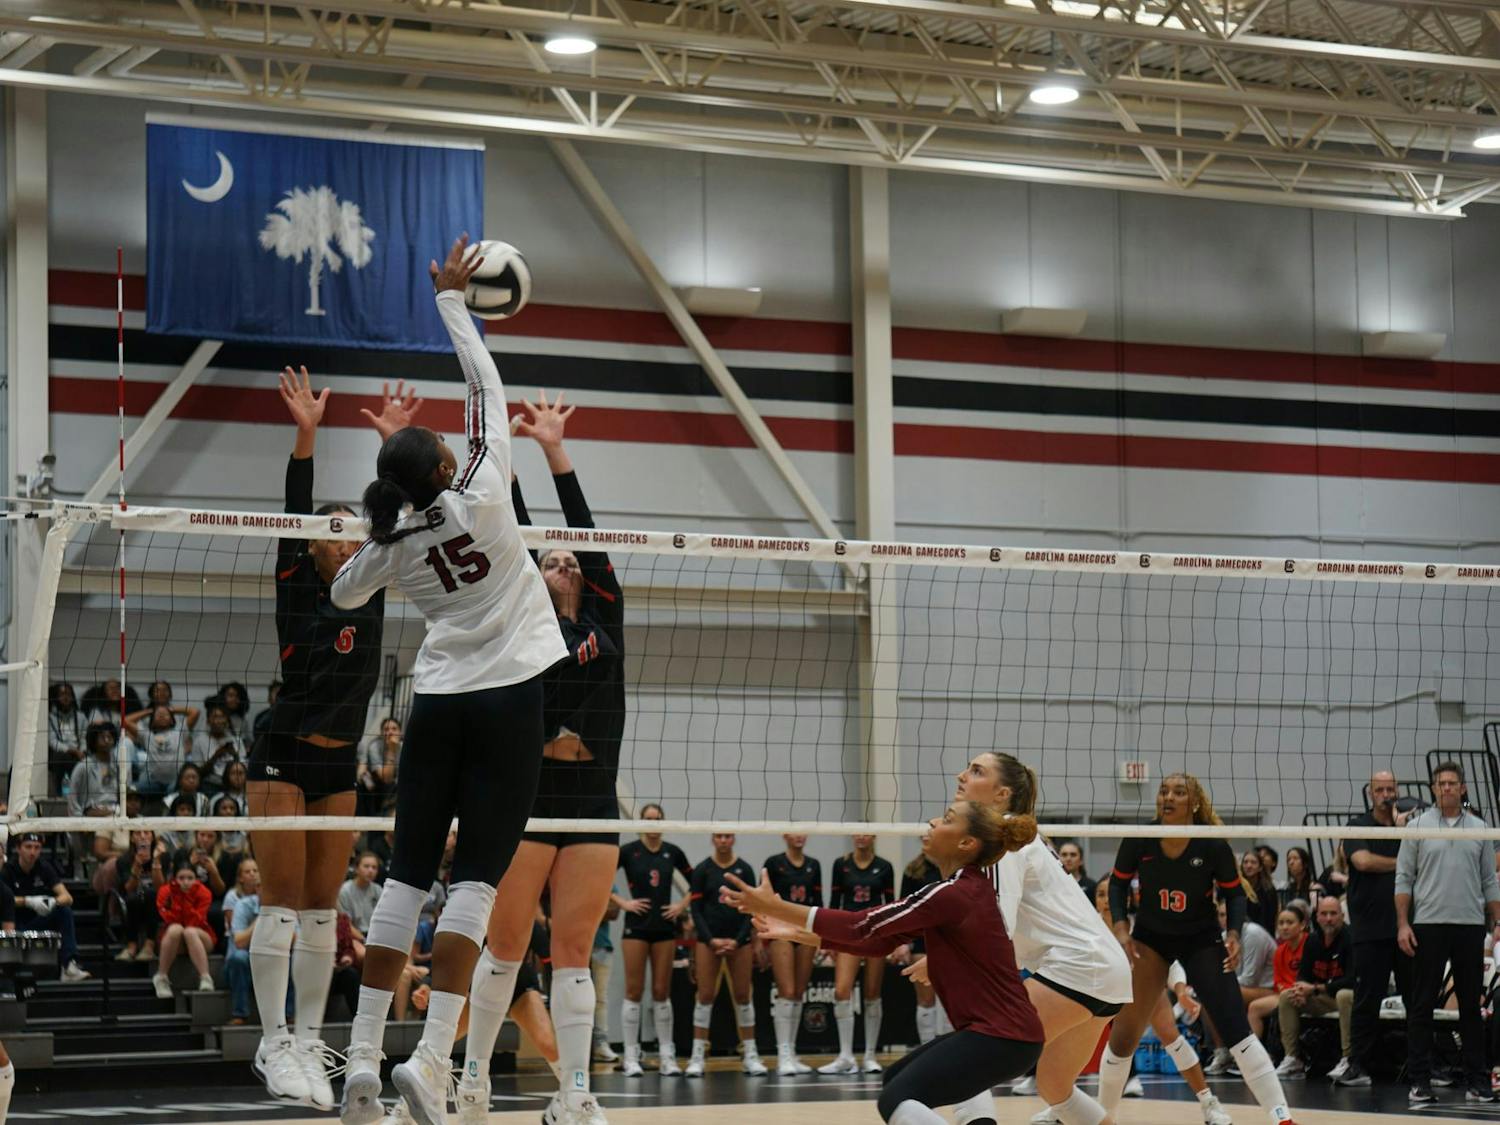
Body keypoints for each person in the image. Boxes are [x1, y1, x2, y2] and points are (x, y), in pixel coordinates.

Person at [332, 236, 567, 1125]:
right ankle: (429, 1065)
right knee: (473, 881)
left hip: (437, 701)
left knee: (400, 880)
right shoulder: (484, 485)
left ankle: (359, 1065)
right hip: (509, 699)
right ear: (441, 466)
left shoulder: (390, 543)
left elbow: (345, 588)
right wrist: (452, 303)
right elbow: (485, 389)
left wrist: (376, 539)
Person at [456, 390, 626, 1125]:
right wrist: (512, 459)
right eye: (547, 558)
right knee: (506, 947)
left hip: (592, 798)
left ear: (583, 576)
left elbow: (581, 530)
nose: (558, 560)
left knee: (575, 951)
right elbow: (516, 536)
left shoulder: (603, 617)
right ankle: (472, 1083)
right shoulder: (523, 618)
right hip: (528, 795)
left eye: (567, 559)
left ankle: (574, 1090)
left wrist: (557, 451)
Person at [244, 364, 389, 1113]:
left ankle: (306, 1038)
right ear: (316, 545)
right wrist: (307, 432)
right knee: (281, 902)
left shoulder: (375, 587)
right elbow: (297, 507)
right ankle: (273, 1041)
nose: (347, 540)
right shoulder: (298, 579)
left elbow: (395, 517)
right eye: (333, 532)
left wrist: (392, 443)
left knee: (322, 910)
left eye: (354, 532)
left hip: (340, 767)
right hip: (282, 753)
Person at [722, 802, 1045, 1125]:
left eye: (946, 820)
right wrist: (797, 932)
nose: (932, 822)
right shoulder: (962, 890)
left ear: (966, 843)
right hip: (1006, 1036)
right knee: (896, 1080)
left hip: (1002, 1036)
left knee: (898, 1097)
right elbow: (879, 941)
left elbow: (860, 924)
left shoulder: (954, 894)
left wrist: (777, 907)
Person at [925, 754, 1145, 1125]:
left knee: (977, 1044)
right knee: (1055, 1085)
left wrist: (943, 960)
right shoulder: (1017, 837)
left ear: (1001, 794)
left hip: (1077, 966)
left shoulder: (1001, 841)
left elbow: (997, 927)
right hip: (1104, 971)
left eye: (977, 771)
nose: (962, 775)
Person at [1104, 774, 1297, 1125]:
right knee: (1124, 1035)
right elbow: (1117, 884)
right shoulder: (1140, 838)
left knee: (1235, 1027)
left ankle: (1281, 1116)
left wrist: (1234, 933)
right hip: (1150, 939)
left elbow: (1235, 894)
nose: (1169, 797)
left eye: (1179, 792)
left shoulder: (1211, 844)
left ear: (1193, 802)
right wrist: (1121, 927)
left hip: (1201, 939)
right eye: (1164, 791)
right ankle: (1103, 1116)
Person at [1396, 761, 1500, 1106]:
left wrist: (1497, 923)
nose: (1446, 788)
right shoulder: (1417, 826)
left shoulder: (1480, 828)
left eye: (1452, 783)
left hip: (1470, 926)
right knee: (1423, 1005)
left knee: (1472, 1006)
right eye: (1440, 783)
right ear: (1434, 788)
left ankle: (1477, 1081)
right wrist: (1403, 924)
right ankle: (1420, 1082)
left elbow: (1489, 881)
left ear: (1463, 788)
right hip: (1429, 924)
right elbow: (1403, 879)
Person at [1333, 769, 1412, 1090]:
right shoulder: (1357, 826)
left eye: (1390, 788)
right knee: (1367, 999)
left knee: (1416, 999)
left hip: (1407, 926)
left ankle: (1425, 1065)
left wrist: (1404, 836)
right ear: (1371, 793)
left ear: (1397, 790)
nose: (1385, 794)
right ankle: (1357, 1064)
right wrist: (1403, 861)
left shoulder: (1409, 828)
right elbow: (1363, 862)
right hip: (1369, 928)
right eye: (1379, 789)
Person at [613, 804, 692, 1078]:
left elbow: (697, 884)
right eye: (648, 820)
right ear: (641, 822)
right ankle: (631, 1056)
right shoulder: (628, 851)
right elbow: (600, 877)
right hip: (636, 927)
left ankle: (667, 1057)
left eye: (657, 819)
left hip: (664, 929)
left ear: (663, 821)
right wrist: (623, 902)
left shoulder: (673, 852)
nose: (653, 824)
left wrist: (681, 906)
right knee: (634, 991)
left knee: (661, 992)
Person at [685, 833, 765, 1078]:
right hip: (708, 941)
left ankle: (750, 1054)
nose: (723, 840)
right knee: (705, 995)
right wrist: (710, 939)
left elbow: (751, 909)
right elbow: (695, 910)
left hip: (737, 940)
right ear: (712, 839)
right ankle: (697, 1056)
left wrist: (739, 940)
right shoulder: (702, 870)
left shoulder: (744, 869)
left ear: (733, 840)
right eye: (719, 836)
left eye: (727, 836)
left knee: (743, 995)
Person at [820, 835, 895, 1075]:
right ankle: (845, 1056)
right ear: (853, 836)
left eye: (866, 833)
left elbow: (891, 903)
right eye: (858, 833)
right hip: (849, 932)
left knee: (872, 993)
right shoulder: (841, 864)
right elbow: (834, 902)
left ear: (873, 836)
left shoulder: (884, 866)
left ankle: (870, 1055)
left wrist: (893, 939)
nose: (861, 837)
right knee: (842, 990)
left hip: (875, 931)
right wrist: (829, 938)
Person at [1273, 895, 1352, 1080]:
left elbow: (1351, 980)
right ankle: (1293, 1058)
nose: (1329, 918)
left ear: (1342, 916)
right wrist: (1300, 990)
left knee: (1344, 995)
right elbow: (1303, 975)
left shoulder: (1350, 939)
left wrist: (1315, 989)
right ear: (1317, 917)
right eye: (1324, 914)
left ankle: (1349, 1059)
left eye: (1333, 913)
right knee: (1287, 996)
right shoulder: (1313, 940)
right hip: (1324, 997)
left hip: (1347, 997)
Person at [763, 833, 822, 1075]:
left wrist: (821, 934)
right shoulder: (773, 862)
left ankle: (792, 1052)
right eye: (794, 832)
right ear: (785, 836)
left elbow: (818, 901)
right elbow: (765, 900)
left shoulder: (813, 865)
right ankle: (783, 1053)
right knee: (786, 991)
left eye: (802, 832)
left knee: (798, 992)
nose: (799, 836)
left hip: (806, 929)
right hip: (781, 929)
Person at [2, 834, 90, 981]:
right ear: (18, 848)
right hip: (12, 926)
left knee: (64, 911)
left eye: (37, 848)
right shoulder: (8, 870)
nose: (32, 852)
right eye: (28, 847)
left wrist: (52, 902)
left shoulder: (43, 867)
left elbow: (67, 897)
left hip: (36, 923)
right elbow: (2, 899)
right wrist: (28, 901)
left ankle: (69, 966)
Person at [894, 853, 946, 1045]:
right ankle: (927, 1049)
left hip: (950, 939)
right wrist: (902, 942)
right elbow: (903, 907)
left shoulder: (956, 867)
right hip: (921, 939)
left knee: (950, 1002)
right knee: (925, 999)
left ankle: (947, 1052)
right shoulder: (913, 870)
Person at [152, 859, 216, 998]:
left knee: (189, 931)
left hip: (200, 936)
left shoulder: (204, 892)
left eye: (190, 878)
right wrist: (179, 894)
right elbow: (169, 918)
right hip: (174, 939)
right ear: (174, 879)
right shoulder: (165, 891)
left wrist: (185, 897)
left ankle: (205, 977)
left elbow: (195, 920)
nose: (186, 882)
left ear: (196, 879)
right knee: (176, 929)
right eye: (181, 878)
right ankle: (161, 977)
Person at [1247, 903, 1309, 1044]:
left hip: (1306, 992)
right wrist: (1286, 991)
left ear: (1302, 925)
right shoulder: (1279, 950)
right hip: (1285, 993)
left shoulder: (1310, 944)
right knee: (1254, 1007)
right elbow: (1278, 981)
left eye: (1290, 922)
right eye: (1281, 923)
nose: (1285, 927)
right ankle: (1256, 1056)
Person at [116, 830, 167, 961]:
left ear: (153, 836)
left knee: (151, 893)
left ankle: (149, 945)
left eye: (147, 833)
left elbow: (161, 888)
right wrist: (137, 865)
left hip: (158, 900)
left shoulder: (163, 856)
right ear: (132, 838)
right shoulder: (124, 860)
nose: (143, 836)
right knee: (133, 897)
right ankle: (131, 946)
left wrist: (156, 861)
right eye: (138, 833)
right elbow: (128, 888)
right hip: (134, 899)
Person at [357, 718, 401, 818]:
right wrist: (391, 751)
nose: (390, 732)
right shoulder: (375, 746)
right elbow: (386, 778)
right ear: (381, 733)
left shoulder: (404, 748)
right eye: (386, 729)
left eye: (394, 729)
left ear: (400, 732)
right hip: (377, 786)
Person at [48, 682, 86, 797]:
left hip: (79, 752)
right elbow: (52, 741)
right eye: (62, 694)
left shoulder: (80, 717)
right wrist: (72, 750)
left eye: (69, 694)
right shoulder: (49, 717)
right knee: (61, 757)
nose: (66, 697)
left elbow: (85, 737)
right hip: (59, 754)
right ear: (55, 697)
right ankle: (60, 793)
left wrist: (83, 751)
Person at [340, 854, 384, 935]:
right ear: (356, 869)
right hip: (354, 936)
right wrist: (364, 941)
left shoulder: (378, 890)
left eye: (374, 867)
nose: (370, 870)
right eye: (366, 866)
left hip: (374, 935)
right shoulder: (345, 891)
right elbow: (346, 925)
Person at [1240, 851, 1279, 934]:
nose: (1249, 866)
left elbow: (1269, 920)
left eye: (1253, 862)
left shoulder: (1268, 890)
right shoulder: (1238, 888)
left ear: (1260, 867)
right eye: (1245, 862)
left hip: (1263, 934)